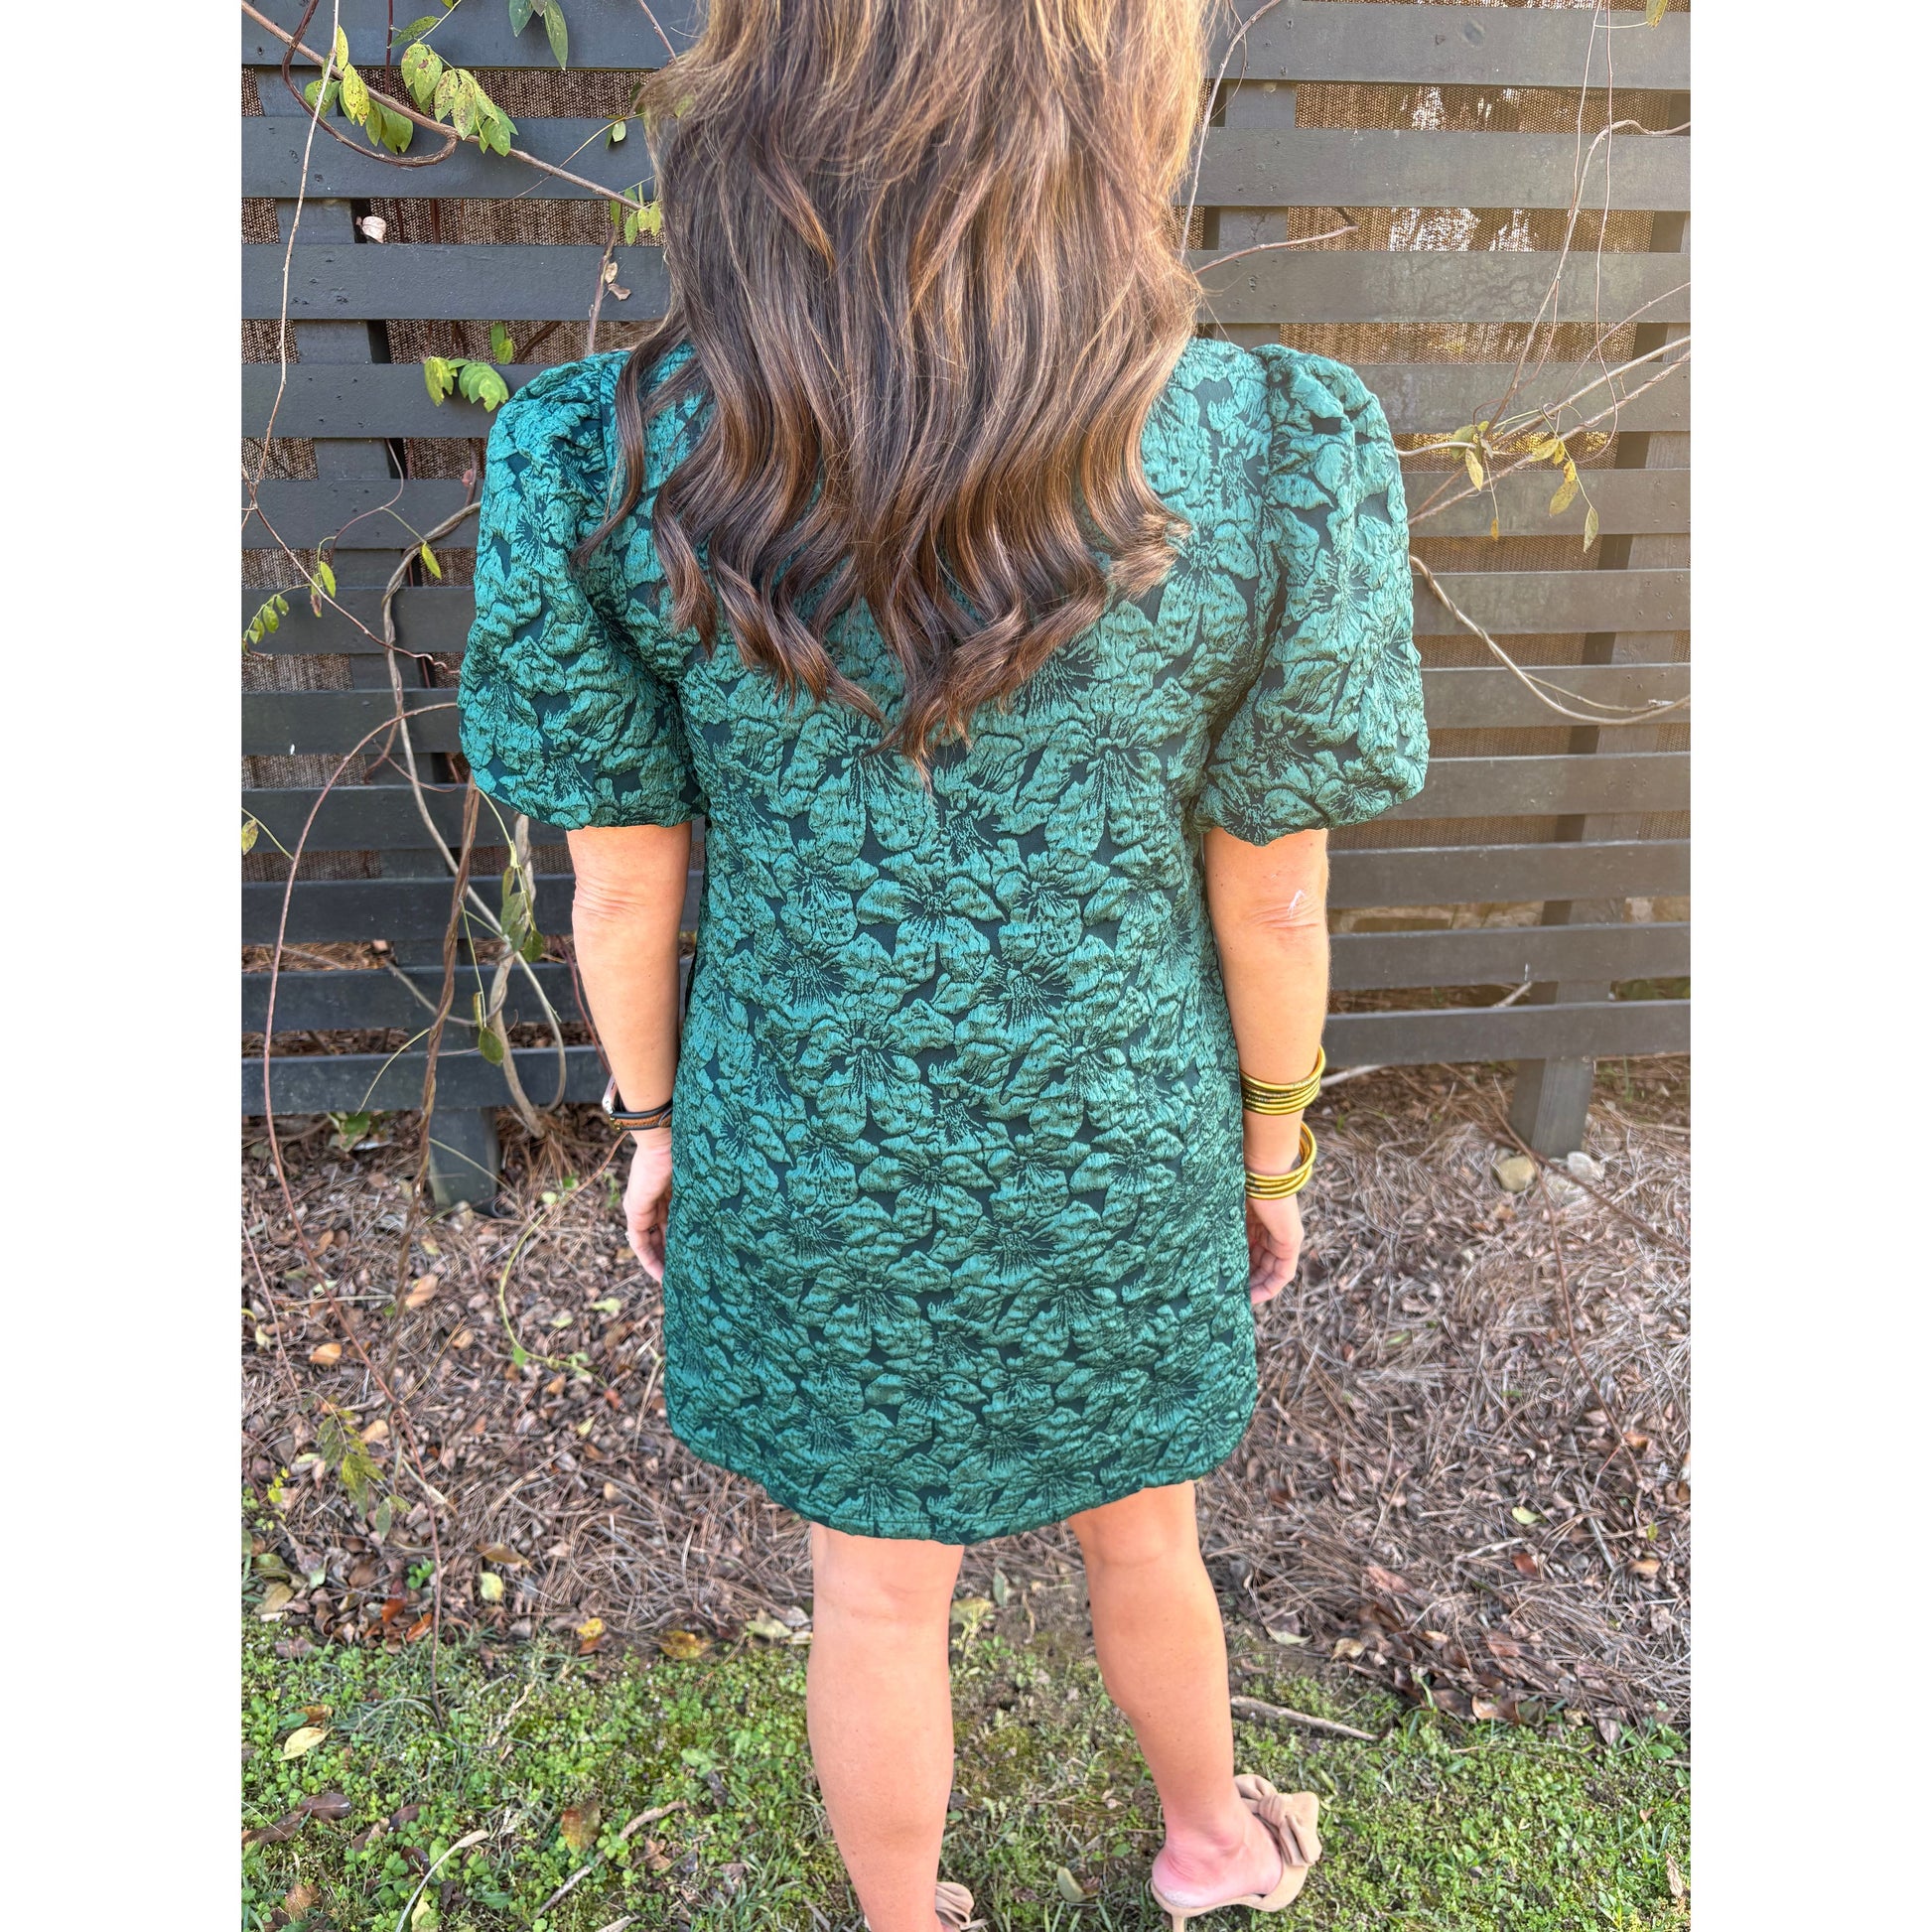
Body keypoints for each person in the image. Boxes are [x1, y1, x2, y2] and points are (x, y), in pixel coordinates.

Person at [459, 4, 1427, 1925]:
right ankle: (1214, 1840)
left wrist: (654, 1124)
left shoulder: (611, 452)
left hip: (810, 1135)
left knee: (874, 1588)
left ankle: (906, 1918)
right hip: (1117, 1125)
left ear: (759, 109)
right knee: (1149, 1534)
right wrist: (1278, 1140)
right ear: (1112, 102)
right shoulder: (1263, 443)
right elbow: (1279, 899)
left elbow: (626, 895)